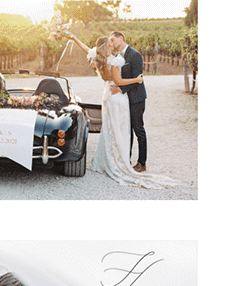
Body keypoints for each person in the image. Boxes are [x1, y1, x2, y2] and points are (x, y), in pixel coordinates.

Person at [62, 30, 179, 188]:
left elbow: (86, 49)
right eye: (109, 41)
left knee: (125, 128)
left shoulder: (120, 56)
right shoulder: (114, 60)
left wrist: (74, 37)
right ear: (107, 45)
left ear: (120, 39)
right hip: (117, 97)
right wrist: (136, 81)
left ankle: (137, 162)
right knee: (120, 128)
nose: (112, 43)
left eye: (113, 40)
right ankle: (122, 159)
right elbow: (119, 80)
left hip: (120, 96)